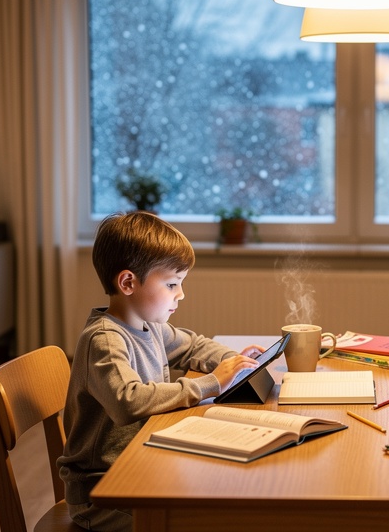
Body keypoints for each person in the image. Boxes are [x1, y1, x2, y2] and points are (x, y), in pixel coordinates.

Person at [58, 211, 264, 532]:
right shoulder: (104, 340)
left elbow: (193, 346)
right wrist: (211, 383)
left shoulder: (149, 326)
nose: (181, 294)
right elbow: (128, 401)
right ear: (128, 282)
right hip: (102, 493)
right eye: (171, 284)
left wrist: (234, 360)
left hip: (143, 466)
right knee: (206, 519)